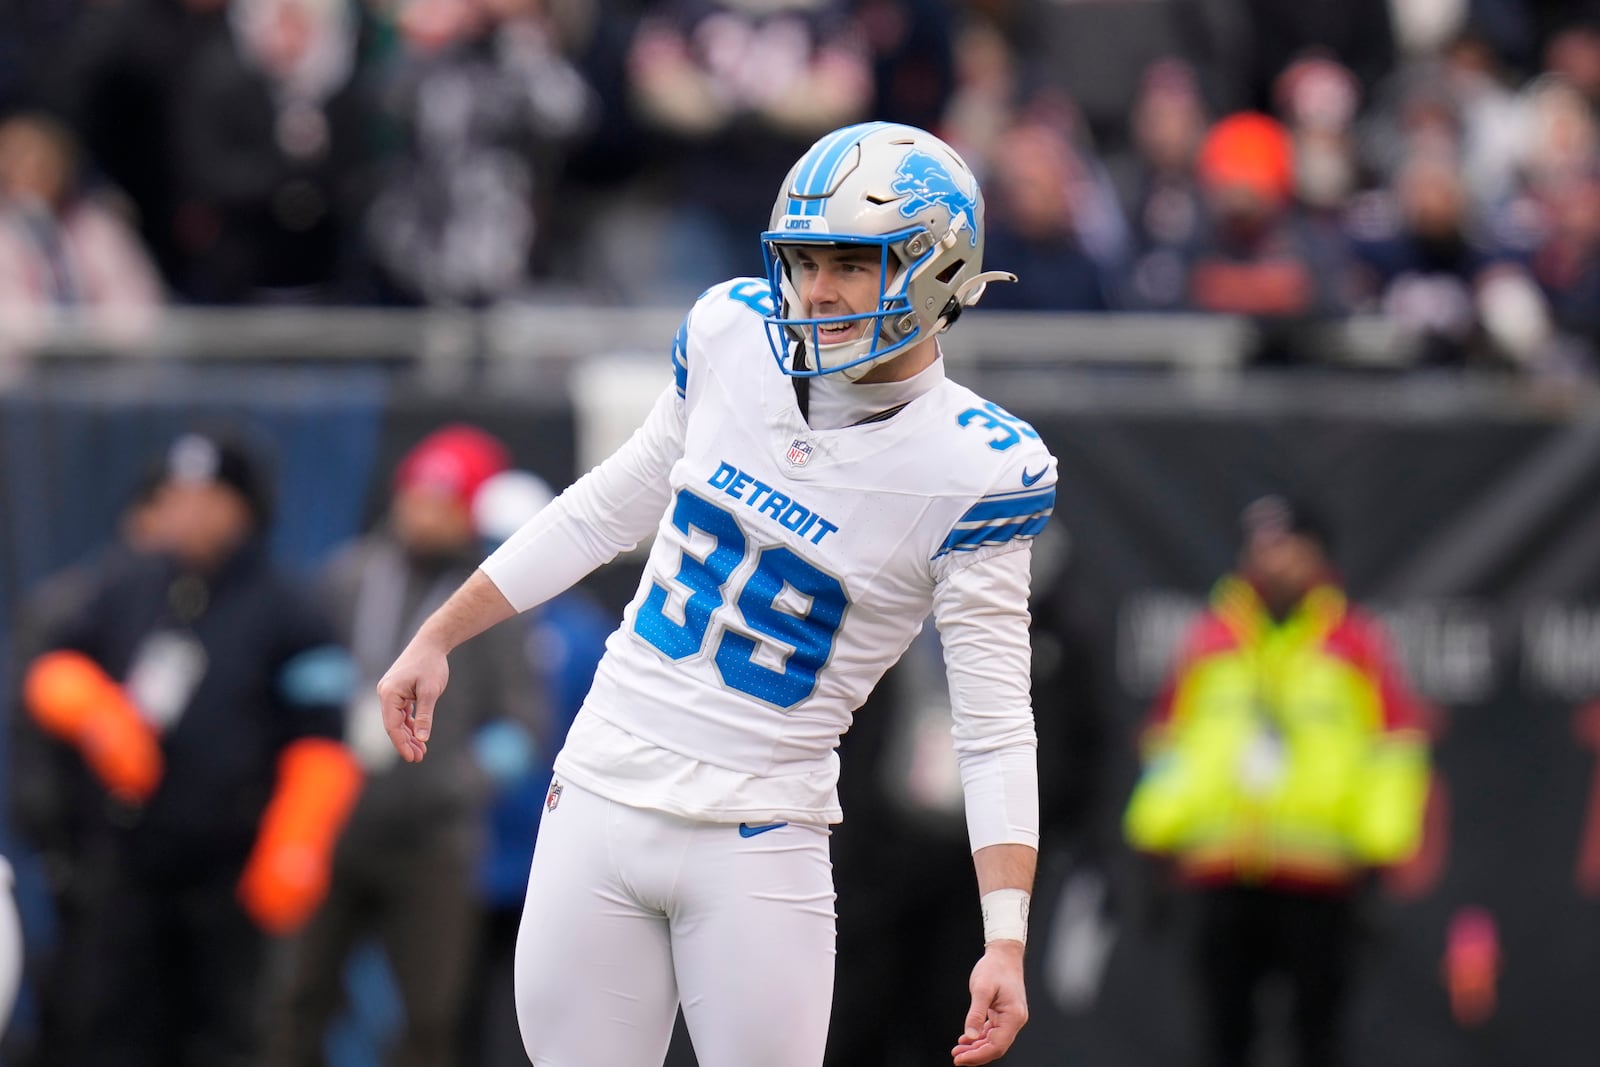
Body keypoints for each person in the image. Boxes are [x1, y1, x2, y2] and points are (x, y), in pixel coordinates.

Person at [376, 120, 1054, 1067]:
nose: (818, 289)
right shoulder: (733, 335)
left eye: (853, 263)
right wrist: (438, 634)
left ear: (937, 268)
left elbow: (992, 726)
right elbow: (607, 507)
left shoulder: (978, 468)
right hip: (602, 791)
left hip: (759, 833)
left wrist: (1007, 935)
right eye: (805, 259)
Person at [17, 431, 363, 1067]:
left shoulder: (290, 608)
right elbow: (53, 666)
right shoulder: (127, 584)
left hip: (229, 872)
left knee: (226, 1033)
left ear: (242, 509)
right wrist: (98, 715)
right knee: (112, 1028)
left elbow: (322, 738)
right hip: (128, 863)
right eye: (177, 497)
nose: (188, 513)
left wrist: (296, 841)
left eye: (206, 499)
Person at [1123, 493, 1432, 1067]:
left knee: (1319, 1040)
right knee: (1220, 1038)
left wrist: (1378, 858)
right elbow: (1170, 746)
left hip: (1321, 879)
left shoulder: (1355, 644)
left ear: (1318, 555)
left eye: (1288, 546)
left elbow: (1394, 755)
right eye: (1261, 547)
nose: (1273, 560)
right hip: (1221, 869)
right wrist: (1154, 840)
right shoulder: (1209, 641)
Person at [267, 425, 543, 1067]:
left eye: (442, 503)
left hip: (434, 841)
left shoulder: (488, 601)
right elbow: (298, 666)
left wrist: (459, 779)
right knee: (296, 998)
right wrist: (318, 704)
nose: (423, 515)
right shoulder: (350, 576)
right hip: (340, 821)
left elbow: (522, 724)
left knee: (430, 1015)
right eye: (416, 498)